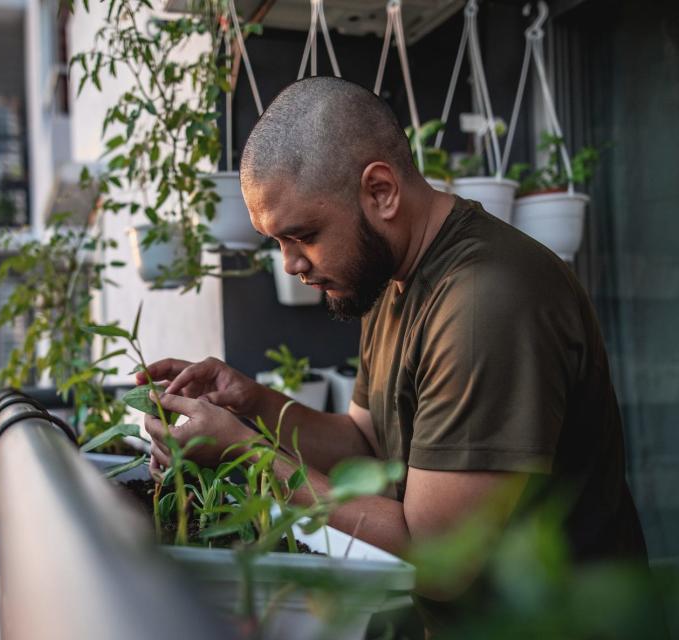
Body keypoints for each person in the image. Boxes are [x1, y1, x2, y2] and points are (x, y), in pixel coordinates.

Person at [135, 77, 647, 629]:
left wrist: (245, 455)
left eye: (303, 234)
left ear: (380, 191)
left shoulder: (485, 302)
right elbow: (367, 444)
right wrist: (251, 404)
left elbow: (440, 559)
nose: (290, 264)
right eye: (276, 242)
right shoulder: (389, 276)